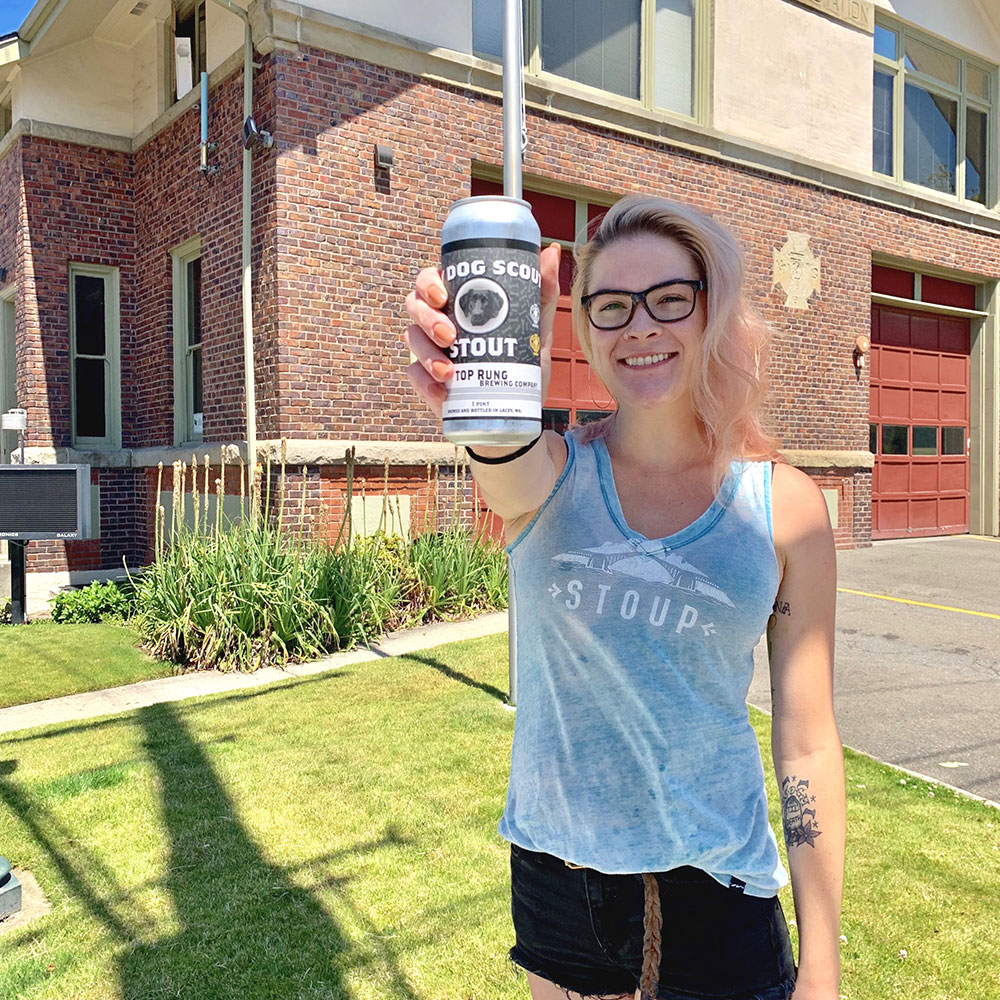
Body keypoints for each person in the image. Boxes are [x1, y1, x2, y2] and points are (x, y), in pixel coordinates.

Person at [403, 195, 845, 1000]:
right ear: (584, 328)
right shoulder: (552, 475)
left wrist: (822, 962)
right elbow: (502, 456)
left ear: (712, 308)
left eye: (669, 298)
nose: (639, 326)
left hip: (717, 893)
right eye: (611, 307)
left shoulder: (785, 508)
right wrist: (481, 377)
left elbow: (807, 743)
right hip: (557, 884)